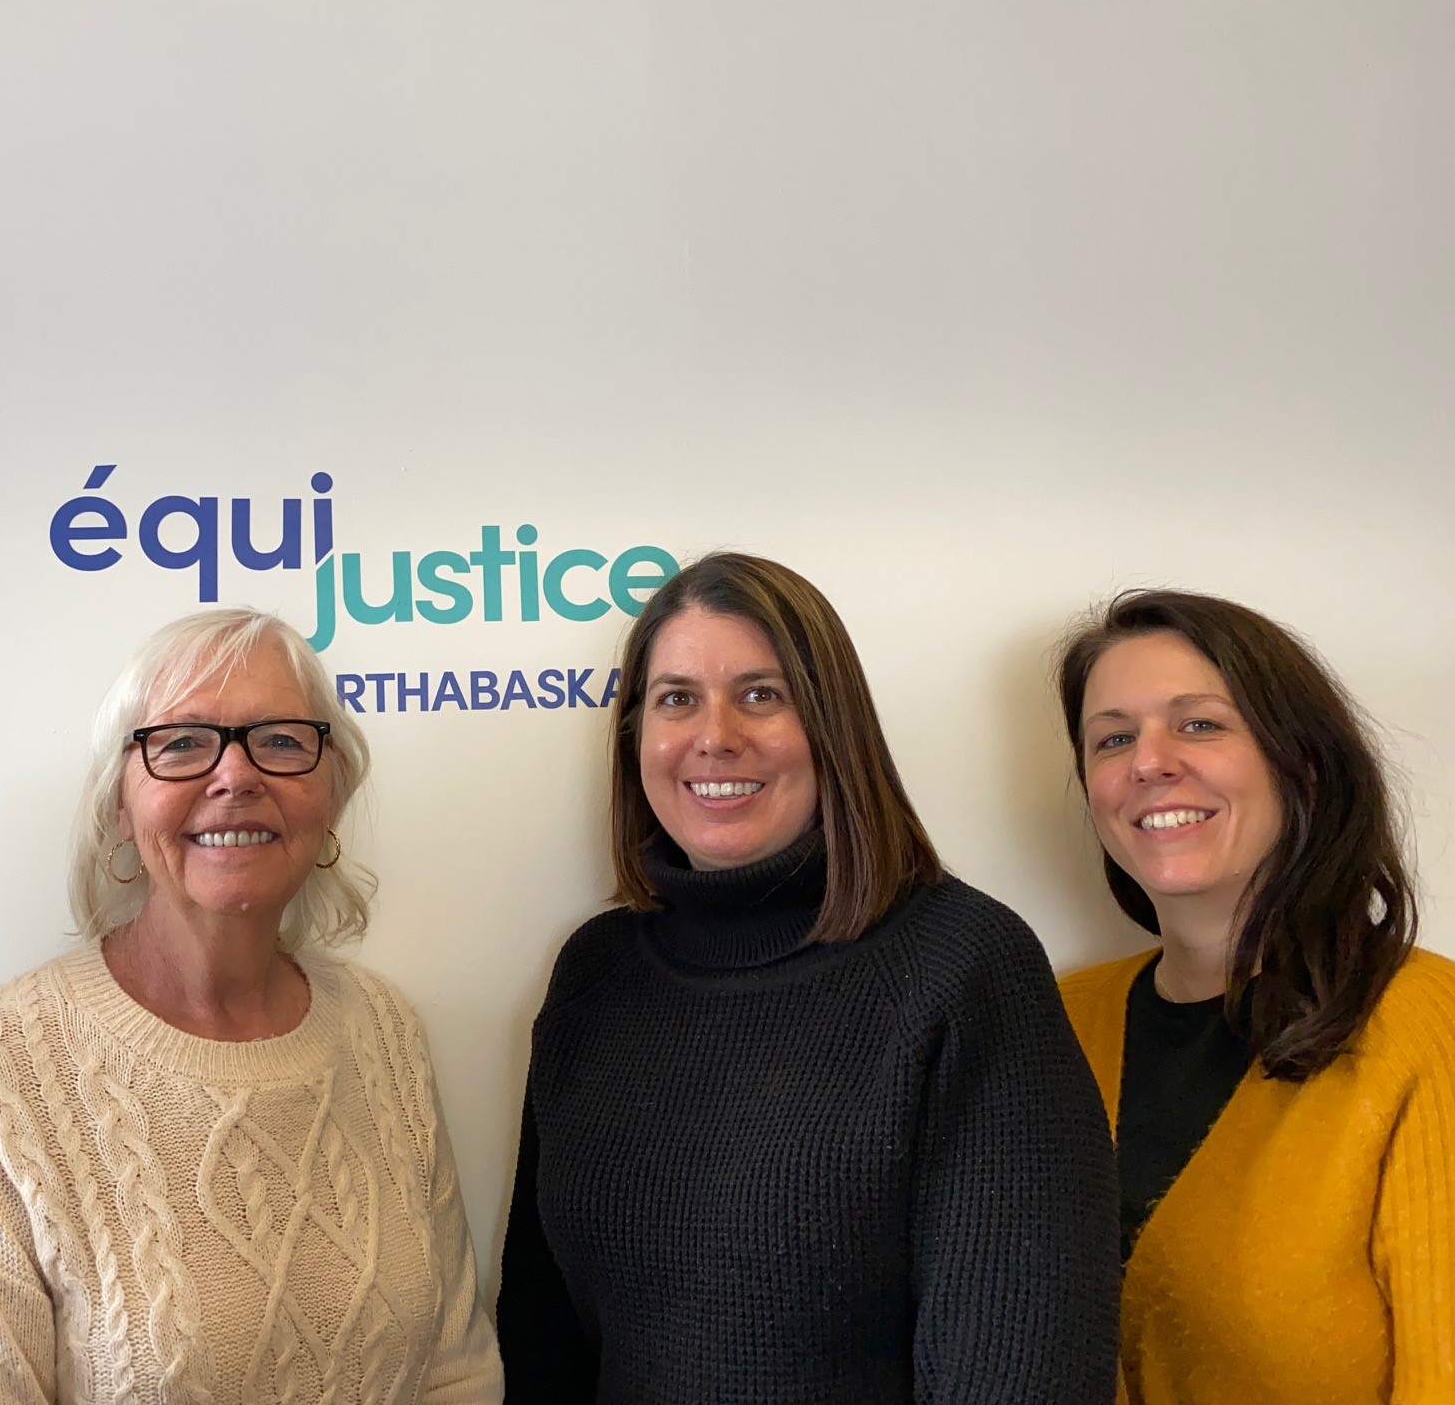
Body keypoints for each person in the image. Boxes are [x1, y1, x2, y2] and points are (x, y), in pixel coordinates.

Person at [497, 551, 1121, 1403]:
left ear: (833, 726)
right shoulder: (595, 975)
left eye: (762, 695)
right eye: (677, 699)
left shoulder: (963, 964)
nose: (715, 735)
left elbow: (1024, 1371)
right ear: (636, 735)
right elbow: (543, 1342)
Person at [0, 607, 501, 1403]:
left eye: (281, 740)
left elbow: (457, 1371)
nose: (235, 775)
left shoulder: (384, 1030)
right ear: (119, 805)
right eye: (180, 744)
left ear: (332, 791)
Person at [1054, 589, 1455, 1404]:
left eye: (1200, 724)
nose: (1149, 762)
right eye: (1114, 738)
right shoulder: (1052, 1020)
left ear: (1303, 762)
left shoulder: (1423, 1024)